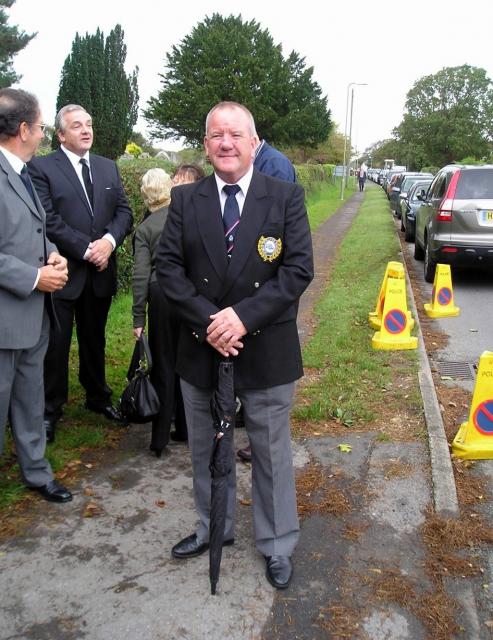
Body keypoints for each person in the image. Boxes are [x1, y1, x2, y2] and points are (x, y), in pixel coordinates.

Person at [156, 101, 313, 589]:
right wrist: (211, 322)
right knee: (205, 448)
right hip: (202, 347)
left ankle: (277, 542)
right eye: (216, 135)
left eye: (235, 135)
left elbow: (297, 271)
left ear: (252, 142)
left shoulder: (285, 196)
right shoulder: (185, 201)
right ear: (205, 145)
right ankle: (213, 528)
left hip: (266, 348)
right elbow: (168, 272)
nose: (225, 143)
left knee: (269, 450)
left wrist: (242, 318)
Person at [28, 105, 133, 443]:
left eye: (89, 124)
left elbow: (124, 211)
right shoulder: (41, 168)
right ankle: (50, 409)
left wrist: (109, 242)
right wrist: (87, 249)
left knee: (94, 338)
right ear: (60, 135)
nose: (86, 130)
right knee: (55, 344)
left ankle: (97, 396)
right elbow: (47, 217)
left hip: (100, 271)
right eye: (76, 126)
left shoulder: (107, 167)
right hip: (62, 271)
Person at [0, 88, 72, 502]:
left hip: (33, 317)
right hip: (6, 318)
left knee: (30, 398)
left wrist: (53, 256)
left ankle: (37, 472)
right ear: (23, 129)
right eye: (42, 126)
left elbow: (32, 230)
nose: (43, 134)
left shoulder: (25, 171)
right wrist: (33, 277)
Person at [237, 139, 297, 463]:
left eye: (237, 137)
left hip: (267, 282)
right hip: (256, 282)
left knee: (264, 364)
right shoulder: (266, 160)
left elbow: (273, 230)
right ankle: (251, 421)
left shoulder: (273, 166)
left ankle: (259, 436)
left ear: (252, 139)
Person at [132, 168, 187, 456]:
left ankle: (160, 437)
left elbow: (141, 274)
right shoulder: (185, 216)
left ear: (144, 195)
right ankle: (188, 428)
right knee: (188, 359)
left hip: (161, 295)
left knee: (164, 363)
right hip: (190, 293)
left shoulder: (145, 228)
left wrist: (138, 317)